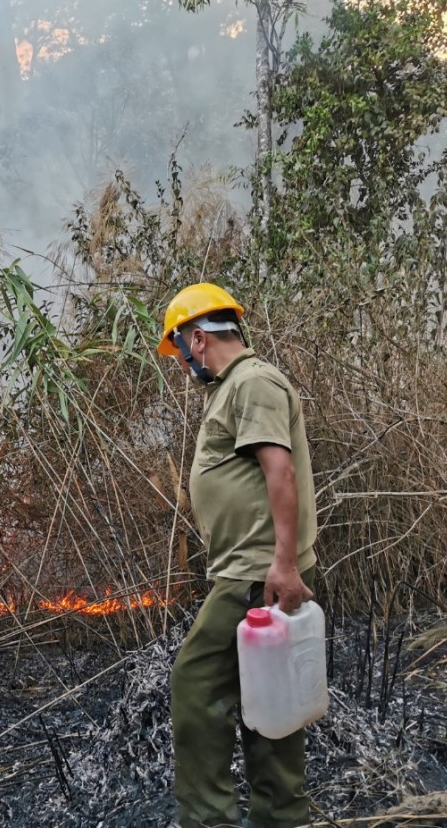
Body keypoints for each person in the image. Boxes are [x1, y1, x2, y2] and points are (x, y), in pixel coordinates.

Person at [158, 283, 318, 828]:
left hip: (257, 574)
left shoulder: (252, 383)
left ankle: (207, 819)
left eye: (179, 352)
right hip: (251, 569)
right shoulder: (232, 389)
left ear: (198, 339)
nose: (182, 365)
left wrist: (284, 565)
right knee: (266, 694)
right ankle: (281, 816)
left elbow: (280, 471)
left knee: (196, 682)